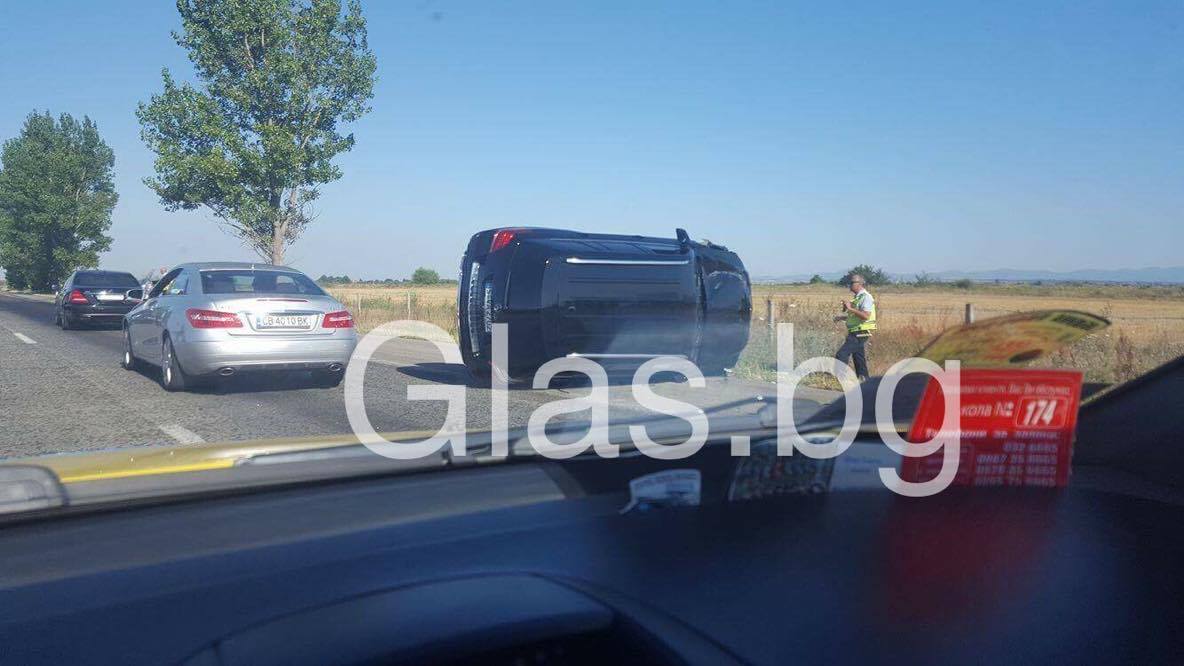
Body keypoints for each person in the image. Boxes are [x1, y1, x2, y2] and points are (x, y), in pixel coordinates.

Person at [834, 273, 876, 380]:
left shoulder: (866, 297)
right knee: (859, 359)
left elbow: (865, 316)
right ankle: (864, 380)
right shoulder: (858, 297)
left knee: (841, 354)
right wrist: (842, 317)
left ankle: (841, 380)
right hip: (856, 331)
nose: (850, 284)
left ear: (860, 284)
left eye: (852, 282)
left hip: (861, 332)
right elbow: (855, 317)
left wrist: (850, 308)